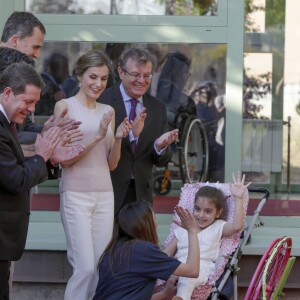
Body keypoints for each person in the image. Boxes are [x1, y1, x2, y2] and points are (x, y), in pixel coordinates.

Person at [53, 49, 131, 300]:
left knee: (99, 268)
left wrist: (117, 139)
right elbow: (64, 161)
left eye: (104, 78)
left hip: (104, 196)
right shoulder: (64, 106)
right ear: (79, 75)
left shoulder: (108, 110)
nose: (98, 84)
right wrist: (97, 137)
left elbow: (111, 165)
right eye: (93, 77)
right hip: (75, 195)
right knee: (84, 268)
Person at [0, 61, 72, 300]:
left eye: (35, 103)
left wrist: (49, 160)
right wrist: (42, 155)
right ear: (8, 93)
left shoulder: (8, 123)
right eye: (28, 102)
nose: (31, 110)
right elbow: (15, 179)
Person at [98, 47, 179, 215]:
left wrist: (160, 146)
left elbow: (161, 160)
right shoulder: (102, 101)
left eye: (147, 75)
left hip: (142, 196)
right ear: (121, 72)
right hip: (106, 191)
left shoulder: (157, 108)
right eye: (135, 75)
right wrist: (128, 136)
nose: (141, 80)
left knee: (140, 242)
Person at [164, 172, 250, 300]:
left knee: (187, 278)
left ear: (218, 212)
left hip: (200, 269)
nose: (201, 215)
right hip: (178, 266)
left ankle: (181, 298)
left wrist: (238, 199)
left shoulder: (218, 227)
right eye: (197, 209)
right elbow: (166, 253)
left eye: (208, 211)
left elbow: (237, 227)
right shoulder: (184, 227)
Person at [92, 200, 200, 300]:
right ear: (146, 225)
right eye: (154, 220)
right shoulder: (144, 251)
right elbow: (193, 270)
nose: (156, 224)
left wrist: (164, 294)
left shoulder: (115, 249)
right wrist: (192, 230)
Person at [35, 52, 69, 116]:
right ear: (54, 68)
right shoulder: (46, 85)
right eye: (64, 68)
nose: (66, 73)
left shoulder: (52, 84)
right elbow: (41, 113)